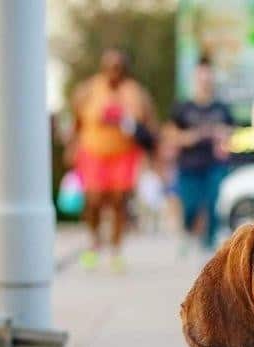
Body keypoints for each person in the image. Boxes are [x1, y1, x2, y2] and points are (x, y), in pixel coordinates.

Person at [68, 49, 157, 271]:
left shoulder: (136, 93)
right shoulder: (89, 90)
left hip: (123, 155)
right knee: (94, 200)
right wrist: (72, 147)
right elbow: (77, 121)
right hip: (93, 153)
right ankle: (95, 241)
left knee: (119, 201)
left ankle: (116, 249)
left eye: (118, 67)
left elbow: (148, 126)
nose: (113, 72)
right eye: (109, 67)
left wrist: (149, 155)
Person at [169, 57, 234, 251]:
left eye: (208, 76)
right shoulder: (183, 108)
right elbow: (171, 135)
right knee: (190, 207)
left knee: (214, 203)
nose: (205, 80)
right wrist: (193, 136)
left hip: (214, 166)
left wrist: (224, 140)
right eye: (201, 76)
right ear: (195, 78)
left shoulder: (222, 108)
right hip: (189, 166)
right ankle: (188, 230)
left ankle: (209, 244)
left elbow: (232, 135)